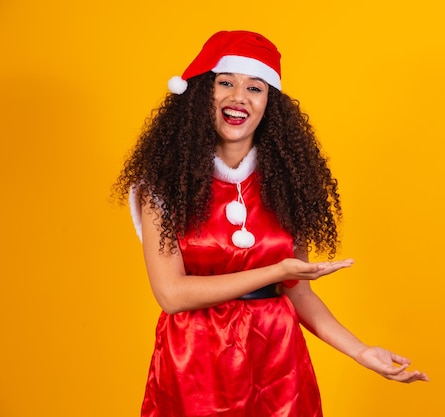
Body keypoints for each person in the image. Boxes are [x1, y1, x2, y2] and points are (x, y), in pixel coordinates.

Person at [115, 30, 428, 417]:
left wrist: (361, 351)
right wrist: (275, 271)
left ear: (269, 104)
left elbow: (298, 293)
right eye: (225, 83)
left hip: (278, 364)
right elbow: (171, 295)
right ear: (201, 94)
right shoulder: (163, 186)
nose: (238, 97)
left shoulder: (286, 184)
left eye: (255, 88)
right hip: (194, 364)